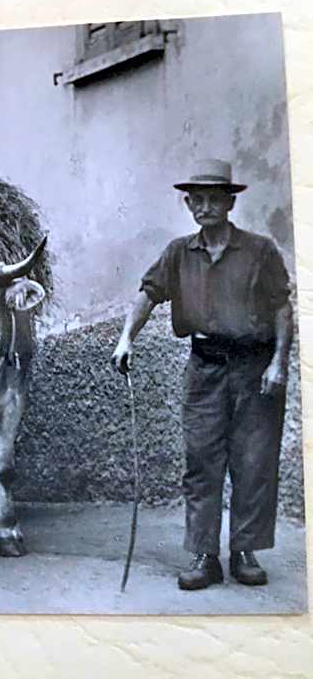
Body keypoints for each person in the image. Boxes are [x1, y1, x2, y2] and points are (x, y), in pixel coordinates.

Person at [111, 158, 291, 591]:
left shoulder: (260, 251)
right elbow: (149, 293)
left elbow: (282, 306)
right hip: (204, 371)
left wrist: (279, 362)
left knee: (253, 462)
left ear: (230, 203)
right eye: (197, 200)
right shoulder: (178, 252)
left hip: (254, 370)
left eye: (214, 198)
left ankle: (245, 552)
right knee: (202, 465)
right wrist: (124, 339)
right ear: (189, 204)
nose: (205, 206)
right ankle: (204, 556)